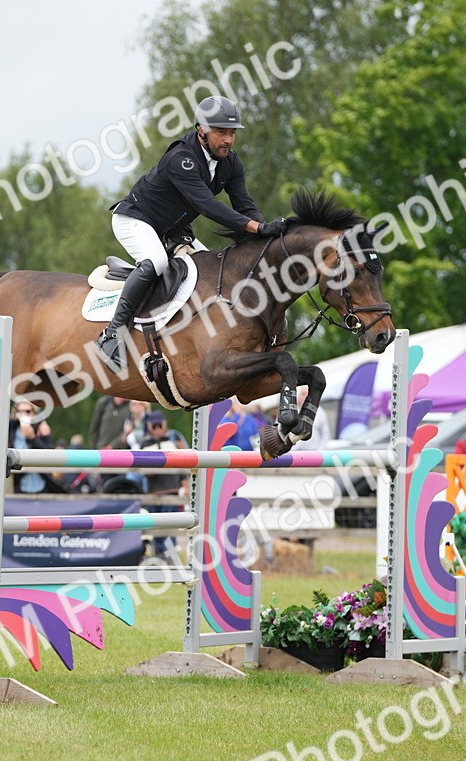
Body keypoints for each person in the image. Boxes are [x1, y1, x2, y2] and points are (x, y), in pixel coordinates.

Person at [95, 95, 283, 370]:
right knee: (156, 263)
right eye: (221, 132)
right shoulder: (181, 159)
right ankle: (112, 333)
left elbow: (244, 204)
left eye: (231, 133)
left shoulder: (231, 162)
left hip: (173, 229)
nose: (228, 140)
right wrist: (255, 227)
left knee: (214, 272)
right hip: (136, 218)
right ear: (201, 130)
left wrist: (264, 234)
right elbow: (207, 205)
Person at [135, 411, 189, 562]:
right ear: (149, 426)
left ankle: (170, 556)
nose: (158, 428)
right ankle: (159, 555)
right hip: (154, 492)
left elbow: (182, 464)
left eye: (160, 424)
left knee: (170, 526)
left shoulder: (173, 439)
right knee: (156, 526)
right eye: (155, 425)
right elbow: (145, 470)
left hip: (172, 490)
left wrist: (184, 482)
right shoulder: (145, 444)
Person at [9, 398, 65, 494]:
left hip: (41, 482)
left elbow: (48, 453)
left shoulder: (41, 429)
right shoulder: (12, 429)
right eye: (20, 411)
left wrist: (33, 438)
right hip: (20, 482)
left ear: (34, 413)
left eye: (27, 411)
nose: (24, 414)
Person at [290, 386, 330, 451]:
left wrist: (320, 451)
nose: (305, 397)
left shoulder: (320, 412)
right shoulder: (290, 411)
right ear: (298, 395)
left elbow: (325, 434)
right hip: (294, 453)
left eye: (308, 395)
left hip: (313, 453)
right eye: (303, 394)